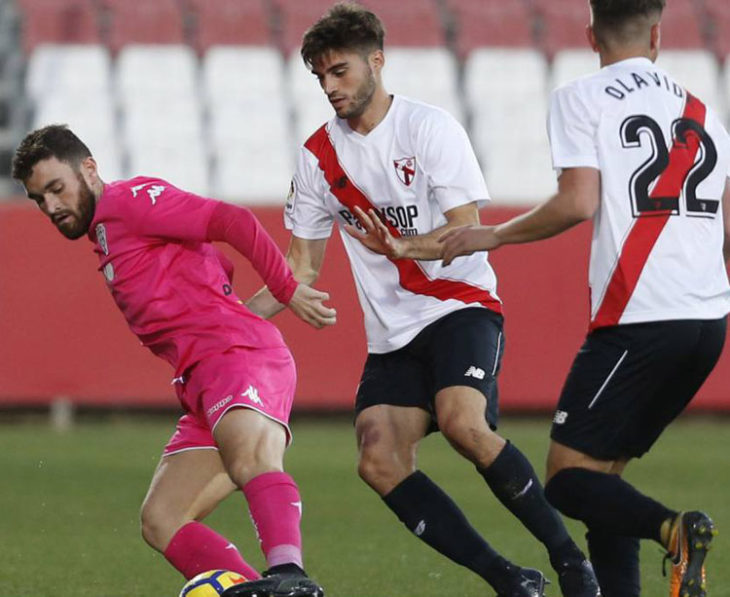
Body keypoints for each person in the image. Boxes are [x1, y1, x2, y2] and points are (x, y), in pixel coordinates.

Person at [246, 4, 601, 596]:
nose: (330, 87)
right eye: (320, 77)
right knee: (378, 460)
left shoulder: (429, 129)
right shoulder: (317, 158)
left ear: (376, 62)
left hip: (460, 305)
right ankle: (510, 579)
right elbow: (300, 265)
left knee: (464, 423)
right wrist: (226, 318)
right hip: (393, 335)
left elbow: (465, 229)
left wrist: (404, 247)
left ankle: (571, 562)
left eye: (340, 72)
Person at [440, 1, 730, 596]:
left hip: (640, 316)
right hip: (707, 320)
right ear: (656, 33)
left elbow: (577, 201)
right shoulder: (704, 111)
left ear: (591, 34)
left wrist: (491, 234)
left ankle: (675, 530)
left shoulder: (583, 96)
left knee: (568, 480)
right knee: (604, 478)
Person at [11, 124, 337, 597]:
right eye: (41, 199)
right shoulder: (104, 233)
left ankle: (291, 576)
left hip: (235, 358)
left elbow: (233, 220)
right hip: (202, 379)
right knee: (162, 519)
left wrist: (286, 289)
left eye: (57, 189)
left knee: (251, 456)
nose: (52, 206)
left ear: (89, 168)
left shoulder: (129, 201)